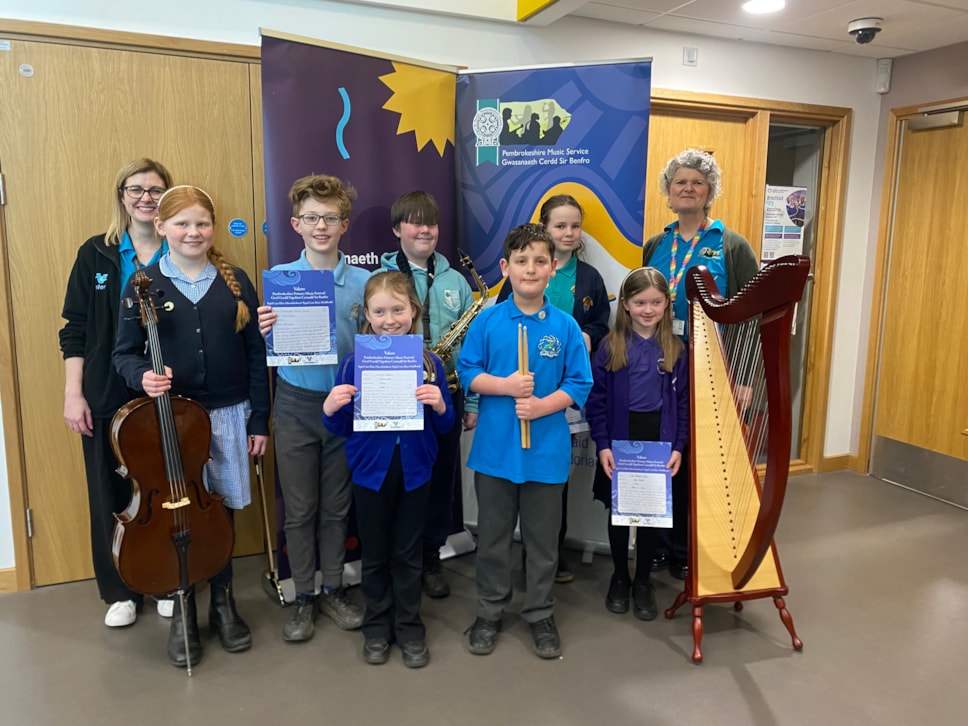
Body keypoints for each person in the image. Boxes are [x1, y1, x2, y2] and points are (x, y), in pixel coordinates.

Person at [113, 185, 270, 668]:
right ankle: (184, 608)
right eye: (181, 224)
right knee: (177, 512)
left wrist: (260, 418)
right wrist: (141, 375)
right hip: (171, 421)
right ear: (161, 228)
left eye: (202, 223)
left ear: (213, 228)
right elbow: (123, 353)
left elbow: (255, 354)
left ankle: (223, 602)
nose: (193, 232)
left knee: (216, 510)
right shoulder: (143, 284)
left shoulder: (236, 280)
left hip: (226, 415)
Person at [457, 223, 592, 660]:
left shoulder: (566, 326)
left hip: (546, 454)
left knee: (542, 541)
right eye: (520, 261)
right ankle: (490, 610)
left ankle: (539, 612)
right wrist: (506, 386)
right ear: (505, 267)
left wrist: (541, 406)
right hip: (495, 454)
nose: (530, 269)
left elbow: (579, 382)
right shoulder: (488, 321)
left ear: (553, 268)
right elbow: (466, 372)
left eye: (539, 261)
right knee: (493, 540)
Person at [59, 158, 173, 628]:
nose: (145, 197)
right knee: (108, 490)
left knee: (166, 490)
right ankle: (119, 591)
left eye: (155, 190)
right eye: (136, 189)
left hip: (168, 393)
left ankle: (168, 578)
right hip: (105, 392)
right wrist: (73, 392)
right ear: (121, 195)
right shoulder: (97, 254)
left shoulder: (181, 245)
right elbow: (76, 327)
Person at [322, 271, 455, 668]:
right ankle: (377, 627)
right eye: (379, 311)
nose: (389, 319)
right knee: (376, 554)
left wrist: (440, 405)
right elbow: (340, 427)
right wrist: (331, 408)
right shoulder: (352, 365)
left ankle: (411, 627)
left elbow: (445, 428)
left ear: (414, 311)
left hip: (415, 472)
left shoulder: (430, 363)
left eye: (398, 309)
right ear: (366, 314)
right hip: (370, 473)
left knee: (408, 553)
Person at [257, 175, 368, 643]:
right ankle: (302, 594)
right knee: (300, 510)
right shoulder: (282, 281)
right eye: (310, 218)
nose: (320, 226)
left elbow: (388, 337)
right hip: (297, 405)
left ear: (344, 224)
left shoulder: (366, 282)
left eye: (329, 218)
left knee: (337, 509)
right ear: (295, 224)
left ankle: (333, 589)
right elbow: (269, 349)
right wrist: (265, 331)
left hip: (345, 404)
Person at [641, 148, 759, 580]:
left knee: (696, 463)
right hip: (656, 370)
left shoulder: (731, 245)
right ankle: (659, 544)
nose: (688, 188)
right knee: (661, 457)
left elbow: (750, 315)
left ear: (710, 191)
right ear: (668, 193)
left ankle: (689, 549)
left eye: (697, 182)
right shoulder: (656, 243)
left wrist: (743, 380)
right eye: (680, 182)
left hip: (710, 374)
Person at [496, 194, 609, 583]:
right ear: (544, 229)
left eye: (574, 226)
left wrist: (586, 336)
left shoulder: (590, 277)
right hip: (523, 394)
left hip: (562, 396)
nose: (568, 232)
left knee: (551, 480)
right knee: (516, 478)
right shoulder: (515, 279)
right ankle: (523, 553)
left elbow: (600, 325)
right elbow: (500, 330)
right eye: (559, 226)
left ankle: (551, 550)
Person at [378, 190, 478, 599]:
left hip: (445, 395)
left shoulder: (456, 281)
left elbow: (472, 349)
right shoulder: (382, 280)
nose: (425, 230)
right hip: (393, 395)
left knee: (440, 480)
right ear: (398, 229)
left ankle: (430, 556)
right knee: (398, 481)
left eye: (431, 223)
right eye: (415, 222)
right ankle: (398, 559)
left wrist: (470, 401)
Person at [585, 267, 688, 620]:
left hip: (659, 441)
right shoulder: (610, 345)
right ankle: (619, 575)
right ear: (626, 304)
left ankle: (642, 580)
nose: (648, 309)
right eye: (640, 302)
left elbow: (685, 403)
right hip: (619, 440)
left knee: (649, 518)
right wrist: (603, 444)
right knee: (619, 514)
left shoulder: (677, 348)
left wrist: (678, 446)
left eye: (655, 302)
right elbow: (596, 400)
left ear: (666, 304)